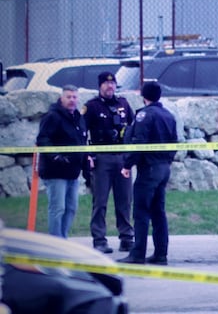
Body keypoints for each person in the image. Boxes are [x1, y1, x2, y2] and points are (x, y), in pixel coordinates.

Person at [118, 81, 178, 265]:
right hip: (163, 167)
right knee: (158, 212)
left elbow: (139, 142)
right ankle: (161, 253)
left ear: (143, 96)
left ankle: (137, 254)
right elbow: (175, 142)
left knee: (141, 211)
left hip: (149, 168)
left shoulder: (145, 115)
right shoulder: (168, 115)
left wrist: (127, 164)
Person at [83, 71, 134, 254]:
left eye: (112, 84)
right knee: (100, 201)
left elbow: (132, 127)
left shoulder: (123, 104)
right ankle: (99, 239)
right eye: (106, 84)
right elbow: (83, 132)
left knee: (125, 200)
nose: (110, 87)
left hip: (121, 157)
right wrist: (87, 155)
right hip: (101, 158)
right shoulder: (92, 107)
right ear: (100, 86)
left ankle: (127, 238)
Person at [36, 84, 89, 238]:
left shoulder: (78, 118)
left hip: (72, 172)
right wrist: (56, 156)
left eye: (74, 97)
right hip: (55, 172)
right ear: (61, 98)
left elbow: (82, 142)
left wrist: (86, 161)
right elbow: (43, 139)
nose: (72, 100)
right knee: (57, 208)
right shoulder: (52, 116)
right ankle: (56, 243)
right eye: (68, 97)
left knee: (71, 208)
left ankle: (63, 239)